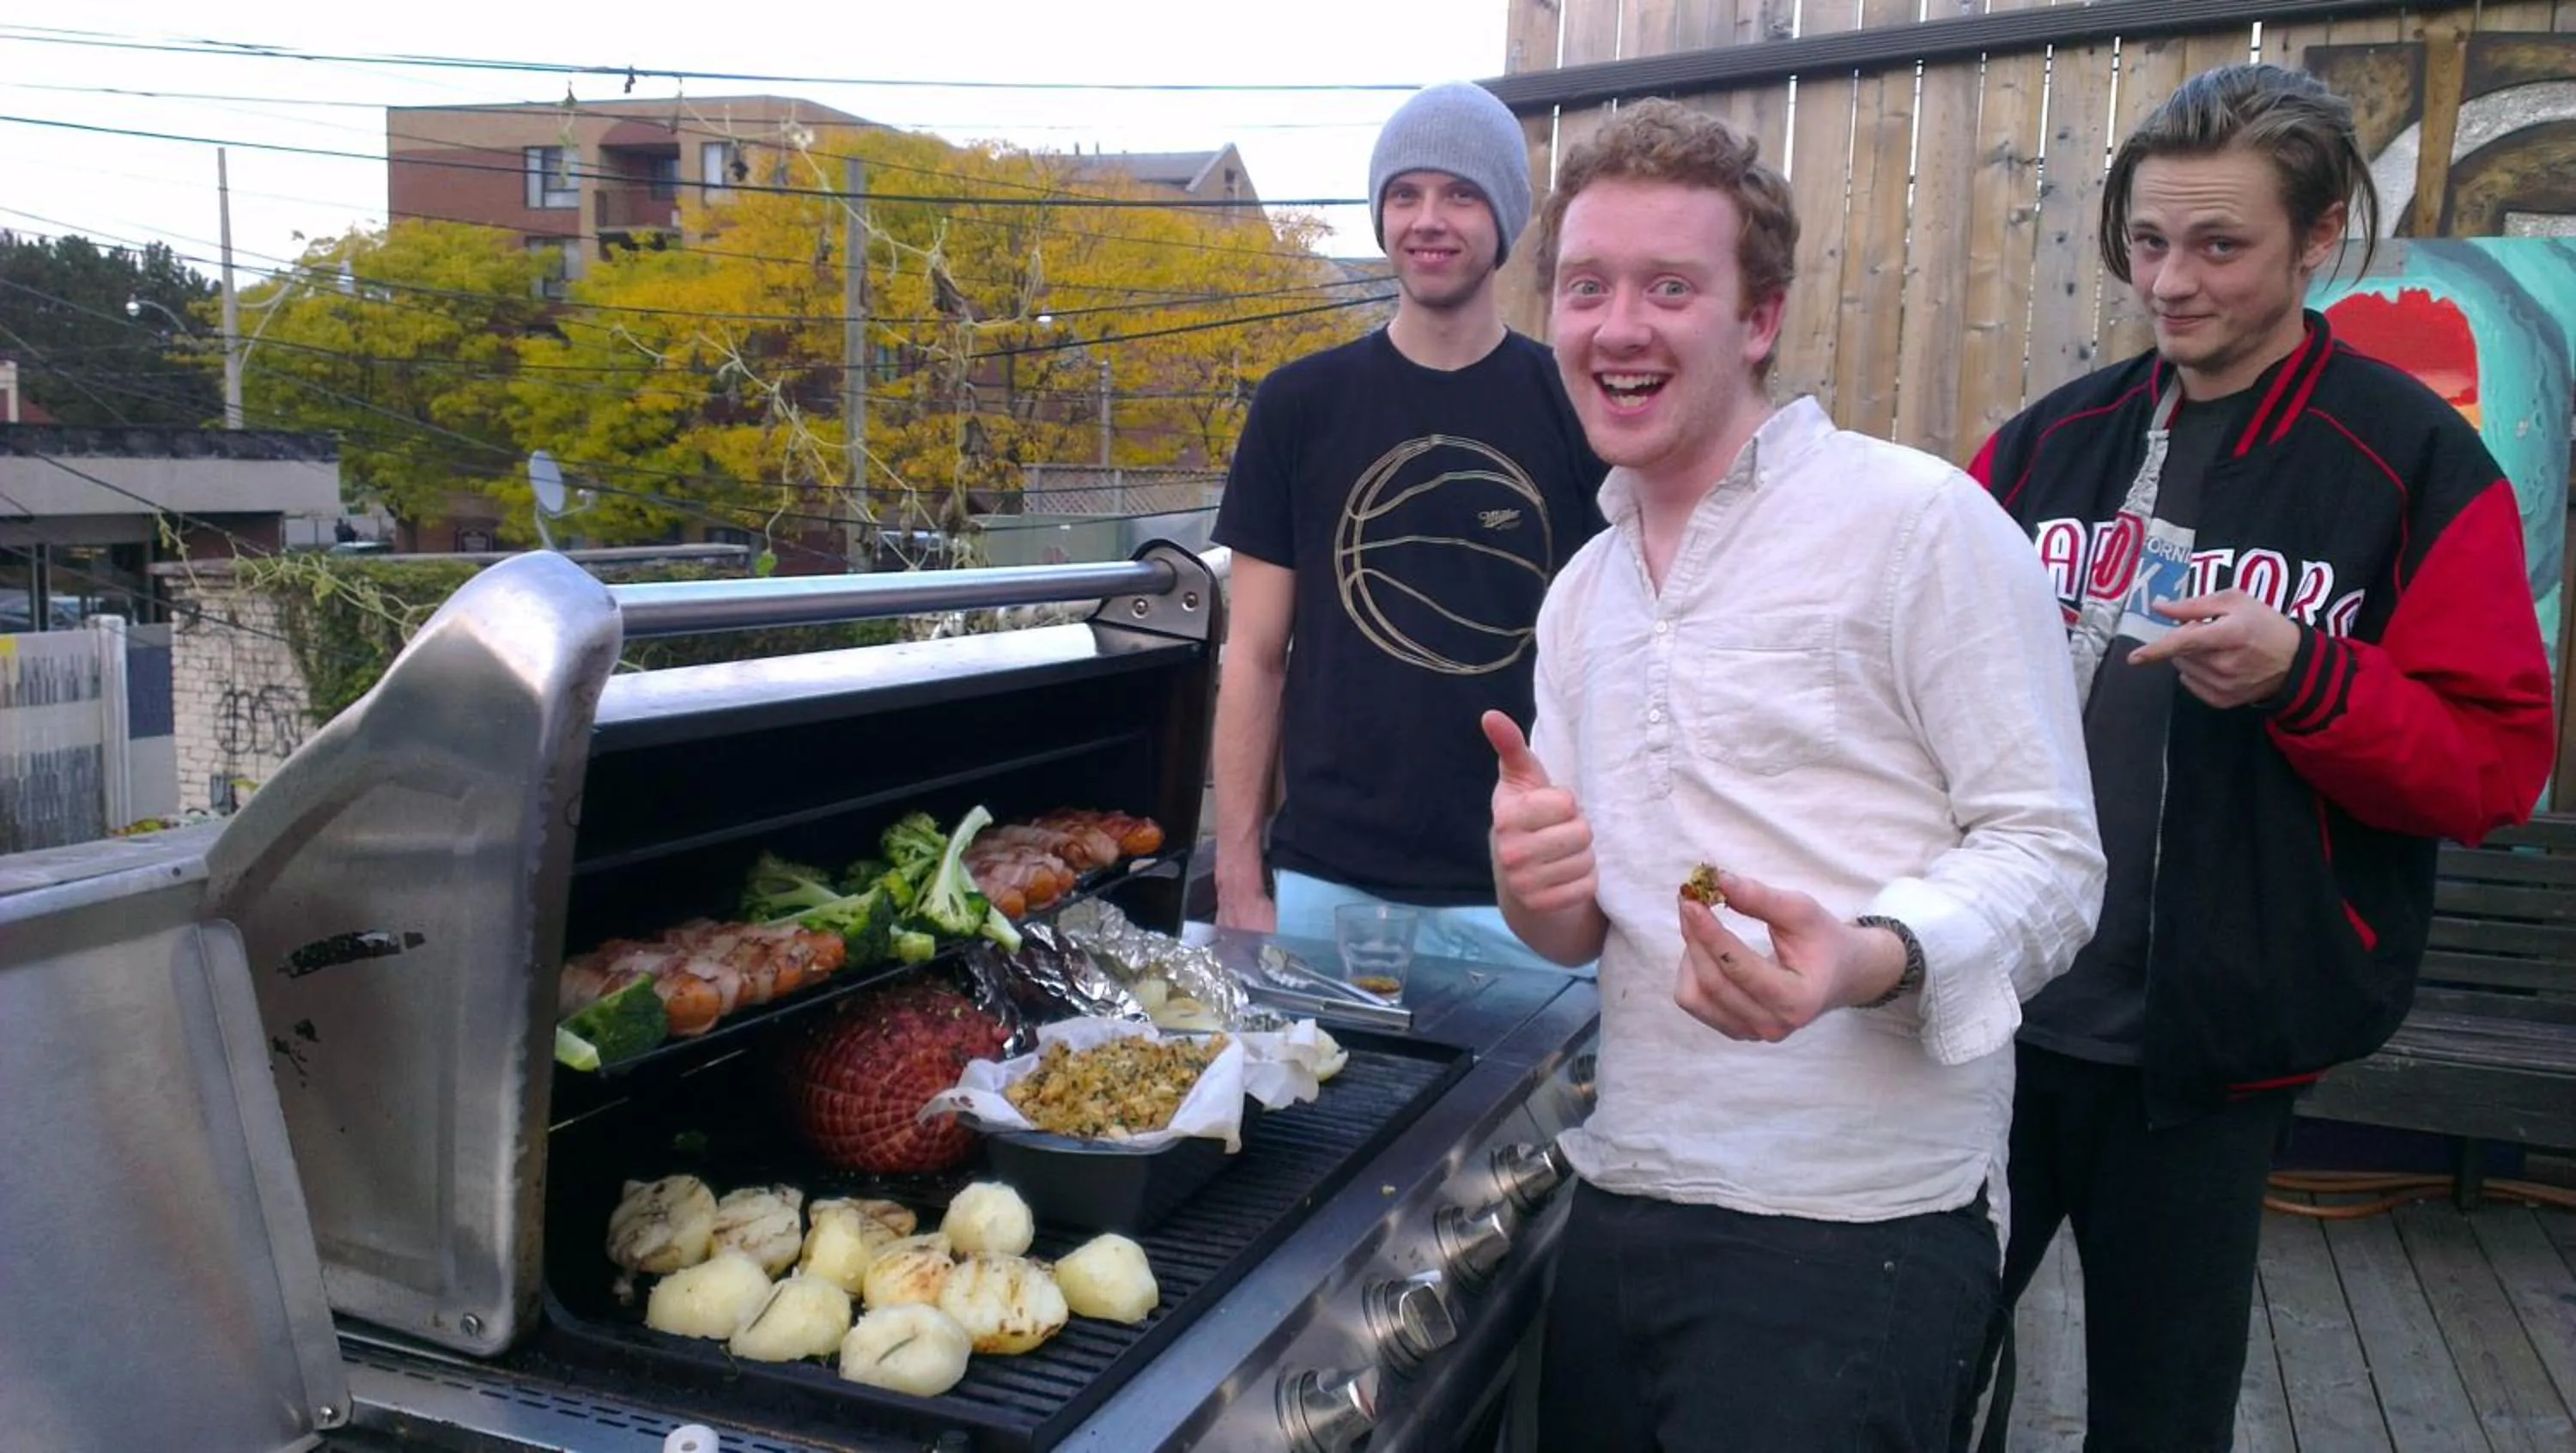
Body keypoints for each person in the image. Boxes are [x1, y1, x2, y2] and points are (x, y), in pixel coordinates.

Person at [1488, 99, 2106, 1450]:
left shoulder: (1920, 522)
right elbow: (1581, 930)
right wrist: (1536, 887)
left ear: (1757, 319)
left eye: (1670, 287)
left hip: (1854, 1231)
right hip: (1625, 1188)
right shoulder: (1582, 593)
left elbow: (2053, 860)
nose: (1619, 325)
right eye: (1586, 287)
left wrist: (1864, 957)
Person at [1958, 64, 2557, 1453]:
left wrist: (2312, 677)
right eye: (2148, 243)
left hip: (2203, 1057)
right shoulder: (2045, 445)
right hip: (1982, 1021)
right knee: (1912, 1376)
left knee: (2160, 1421)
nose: (2170, 283)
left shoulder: (2407, 463)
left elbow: (2493, 766)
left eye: (2220, 245)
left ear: (2316, 235)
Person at [1206, 80, 1607, 968]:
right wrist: (1240, 875)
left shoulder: (1578, 408)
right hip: (1325, 885)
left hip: (1525, 895)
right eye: (1405, 194)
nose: (1429, 218)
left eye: (1460, 194)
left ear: (1504, 218)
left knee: (1529, 1118)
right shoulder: (1299, 406)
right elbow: (1256, 657)